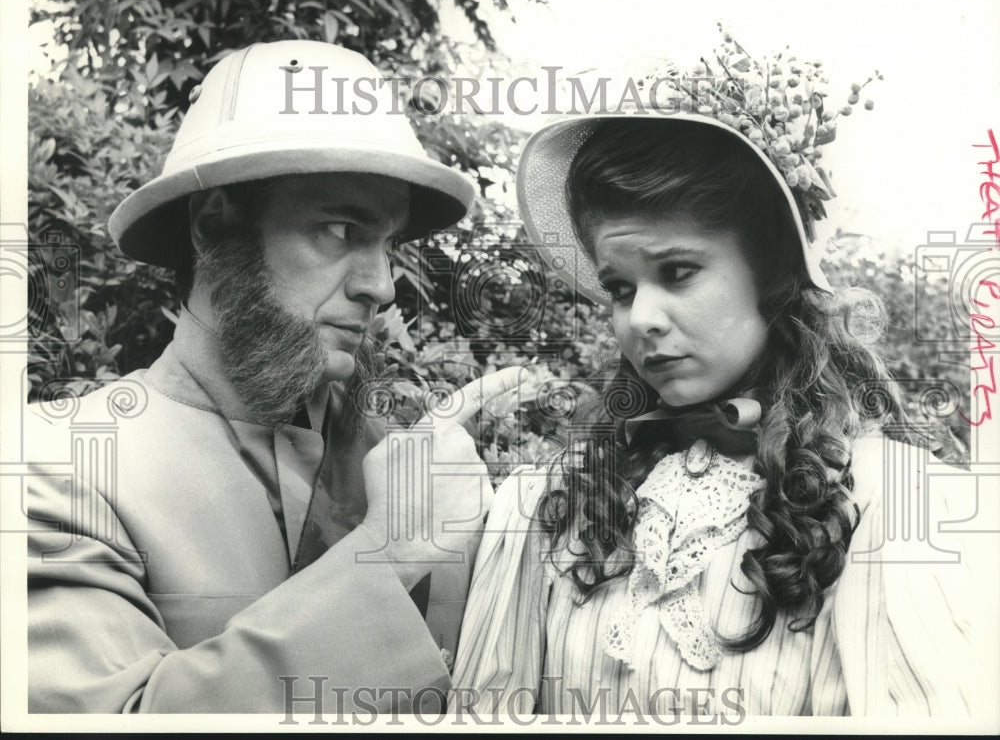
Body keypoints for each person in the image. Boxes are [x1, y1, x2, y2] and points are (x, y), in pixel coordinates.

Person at [25, 40, 520, 715]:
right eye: (342, 229)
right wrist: (392, 548)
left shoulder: (392, 454)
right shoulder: (54, 463)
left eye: (389, 246)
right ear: (212, 225)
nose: (382, 287)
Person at [450, 109, 976, 718]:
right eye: (620, 288)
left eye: (677, 272)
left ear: (772, 275)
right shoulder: (552, 502)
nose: (640, 318)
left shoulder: (892, 503)